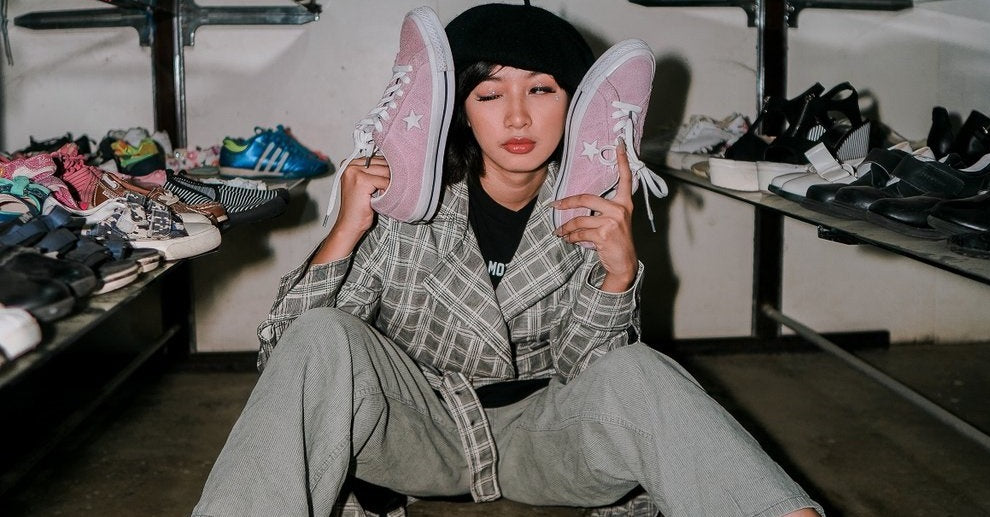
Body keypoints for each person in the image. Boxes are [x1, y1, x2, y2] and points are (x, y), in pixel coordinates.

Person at [192, 4, 824, 517]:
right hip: (419, 433)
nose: (518, 115)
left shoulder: (589, 206)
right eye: (490, 93)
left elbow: (596, 379)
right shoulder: (407, 204)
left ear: (576, 107)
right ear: (458, 111)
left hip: (543, 443)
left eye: (542, 89)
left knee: (641, 369)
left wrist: (617, 276)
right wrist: (347, 231)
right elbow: (288, 356)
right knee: (325, 334)